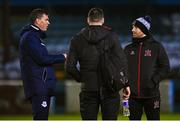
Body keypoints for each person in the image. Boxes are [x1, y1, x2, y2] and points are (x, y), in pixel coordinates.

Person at [66, 7, 130, 120]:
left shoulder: (77, 39)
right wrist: (126, 84)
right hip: (110, 87)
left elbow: (69, 67)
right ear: (103, 20)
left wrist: (82, 78)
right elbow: (122, 62)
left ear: (88, 19)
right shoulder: (112, 36)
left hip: (88, 88)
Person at [19, 8, 66, 120]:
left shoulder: (33, 37)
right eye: (46, 19)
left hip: (40, 84)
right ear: (37, 21)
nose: (48, 22)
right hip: (38, 85)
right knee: (40, 118)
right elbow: (42, 59)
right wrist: (62, 57)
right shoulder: (30, 37)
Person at [124, 15, 170, 120]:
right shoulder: (127, 49)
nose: (132, 30)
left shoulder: (157, 47)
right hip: (132, 97)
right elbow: (122, 70)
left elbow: (165, 67)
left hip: (152, 95)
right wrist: (125, 84)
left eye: (135, 27)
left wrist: (153, 81)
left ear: (143, 29)